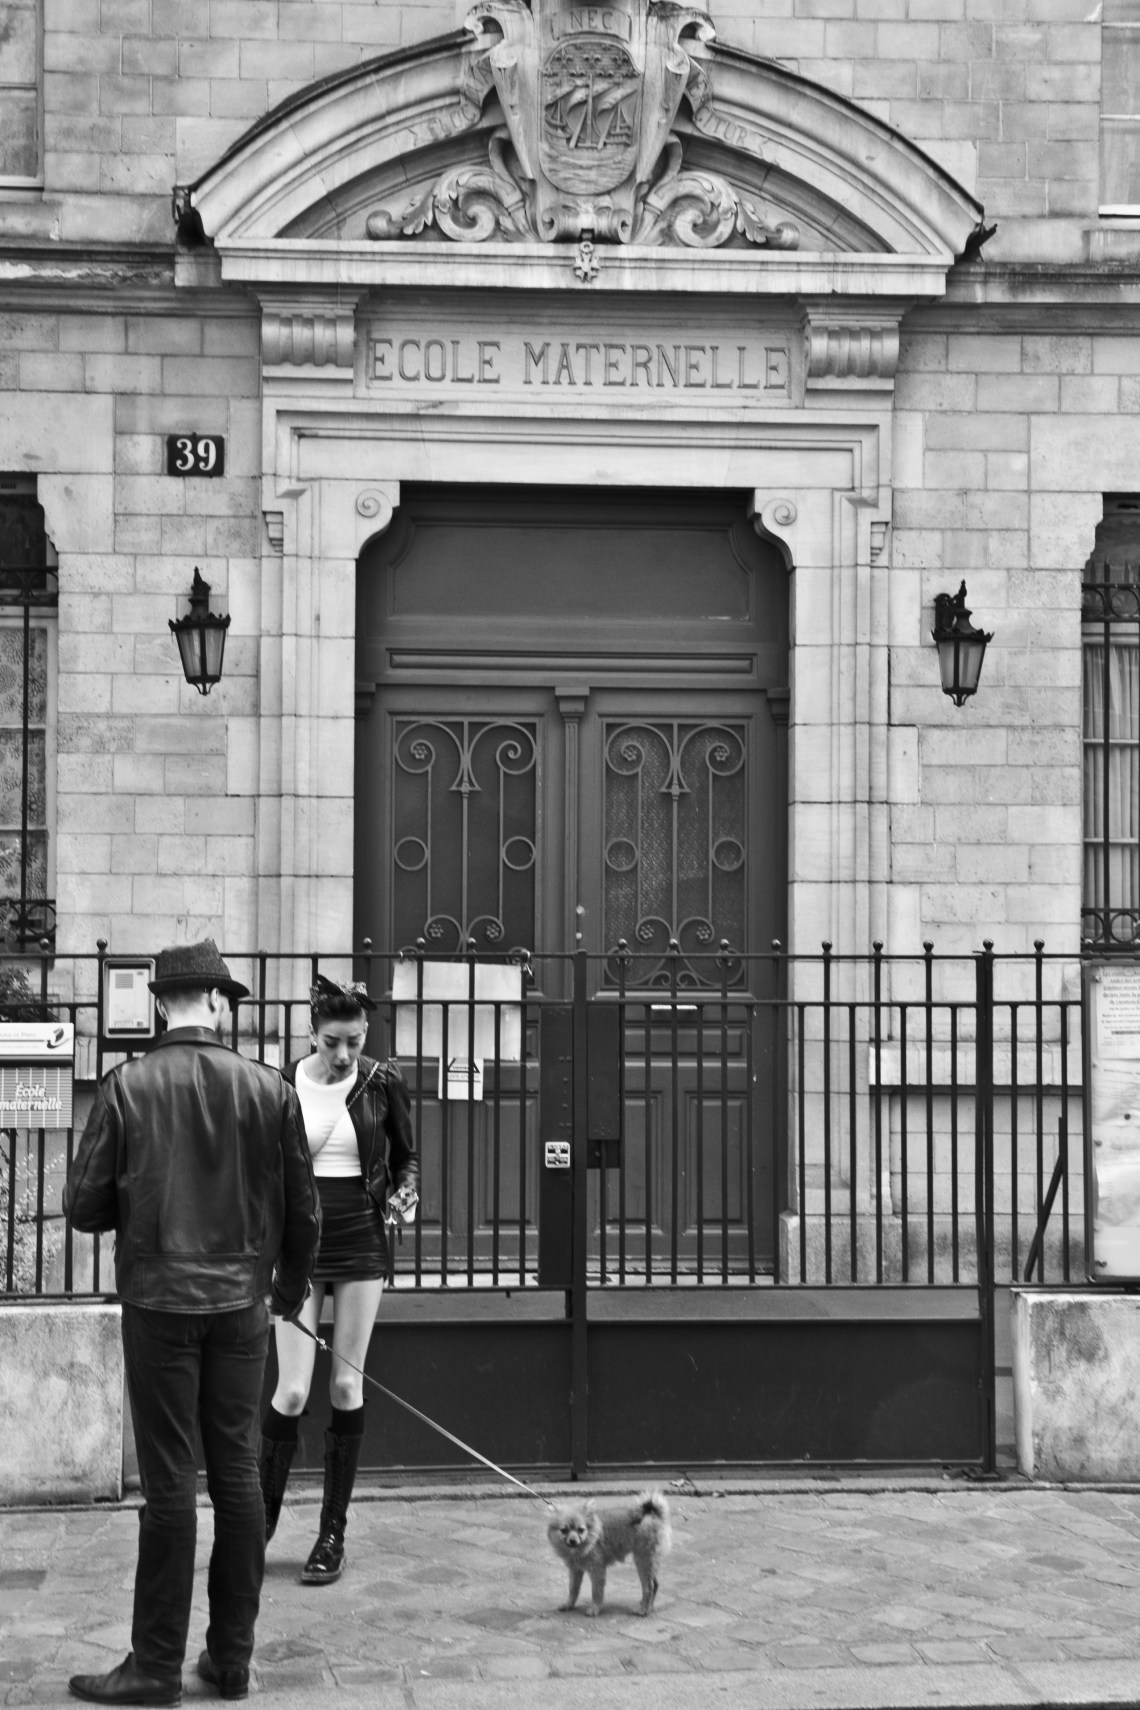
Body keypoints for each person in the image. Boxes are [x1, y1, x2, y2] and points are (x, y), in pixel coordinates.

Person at [64, 939, 321, 1708]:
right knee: (237, 1476)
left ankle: (153, 1667)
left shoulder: (126, 1086)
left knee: (171, 1483)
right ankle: (230, 1661)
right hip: (242, 1303)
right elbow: (304, 1212)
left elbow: (81, 1207)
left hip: (158, 1302)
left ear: (159, 1004)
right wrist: (289, 1288)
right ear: (214, 1001)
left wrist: (135, 1212)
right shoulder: (269, 1090)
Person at [258, 972, 418, 1585]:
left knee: (345, 1389)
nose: (344, 1054)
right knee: (292, 1391)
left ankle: (332, 1536)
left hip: (359, 1241)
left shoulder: (382, 1081)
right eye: (332, 1042)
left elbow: (405, 1156)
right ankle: (260, 1525)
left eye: (354, 1040)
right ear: (312, 1033)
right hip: (296, 1244)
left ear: (366, 1033)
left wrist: (406, 1194)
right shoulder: (279, 1083)